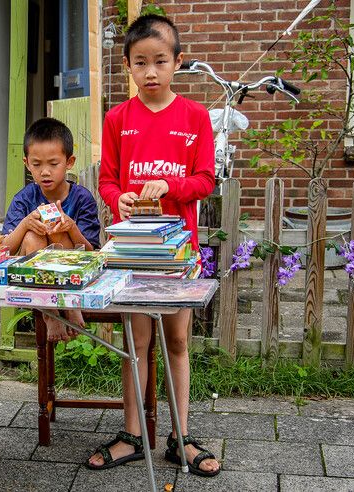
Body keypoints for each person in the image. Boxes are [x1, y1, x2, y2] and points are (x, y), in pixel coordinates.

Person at [90, 14, 221, 476]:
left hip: (178, 251)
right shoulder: (116, 118)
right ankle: (131, 433)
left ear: (177, 63)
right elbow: (107, 181)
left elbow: (205, 180)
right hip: (131, 251)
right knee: (136, 341)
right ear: (126, 64)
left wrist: (169, 186)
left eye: (160, 61)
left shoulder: (195, 117)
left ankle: (180, 436)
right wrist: (117, 196)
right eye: (140, 62)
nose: (150, 71)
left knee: (178, 340)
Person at [2, 117, 101, 342]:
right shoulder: (24, 199)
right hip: (35, 274)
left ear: (69, 161)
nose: (45, 172)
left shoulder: (82, 198)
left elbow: (91, 252)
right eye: (37, 165)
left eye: (53, 164)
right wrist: (26, 223)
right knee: (32, 234)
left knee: (57, 230)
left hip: (73, 275)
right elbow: (4, 250)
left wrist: (71, 227)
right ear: (27, 163)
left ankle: (69, 301)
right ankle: (51, 313)